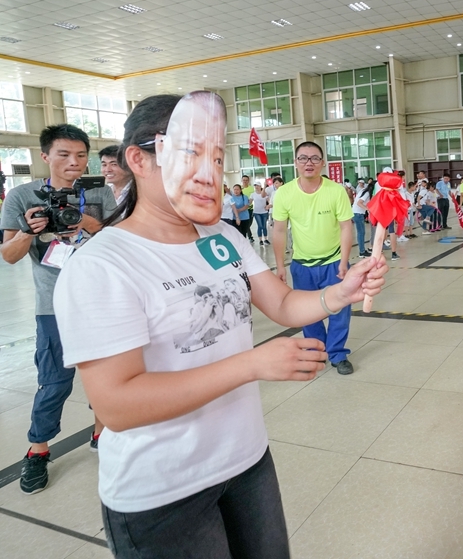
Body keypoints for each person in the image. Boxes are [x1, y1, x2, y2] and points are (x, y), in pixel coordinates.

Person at [53, 93, 387, 558]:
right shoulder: (103, 265)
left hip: (246, 460)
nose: (209, 172)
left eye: (215, 155)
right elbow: (116, 405)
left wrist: (340, 293)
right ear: (139, 160)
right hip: (162, 491)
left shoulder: (223, 236)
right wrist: (250, 364)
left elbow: (284, 302)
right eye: (190, 153)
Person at [0, 123, 117, 494]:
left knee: (107, 375)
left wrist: (82, 219)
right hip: (53, 305)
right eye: (64, 155)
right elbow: (10, 255)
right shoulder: (21, 195)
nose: (74, 163)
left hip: (102, 300)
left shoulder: (99, 192)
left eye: (81, 155)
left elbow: (117, 239)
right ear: (45, 156)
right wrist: (27, 232)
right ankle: (37, 451)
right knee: (53, 382)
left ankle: (103, 432)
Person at [272, 141, 356, 374]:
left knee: (339, 310)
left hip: (333, 262)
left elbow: (346, 227)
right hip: (302, 266)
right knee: (309, 313)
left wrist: (343, 261)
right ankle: (316, 353)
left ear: (322, 162)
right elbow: (279, 230)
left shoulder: (335, 190)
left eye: (314, 158)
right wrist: (280, 266)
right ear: (295, 162)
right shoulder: (284, 193)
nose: (309, 163)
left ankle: (338, 354)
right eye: (303, 158)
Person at [353, 179, 375, 257]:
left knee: (361, 233)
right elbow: (359, 203)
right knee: (361, 233)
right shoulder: (367, 194)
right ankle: (362, 252)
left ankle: (362, 250)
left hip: (358, 213)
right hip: (358, 214)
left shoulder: (364, 191)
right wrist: (368, 209)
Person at [240, 174, 254, 241]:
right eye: (244, 180)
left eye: (246, 180)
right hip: (242, 209)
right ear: (241, 180)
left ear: (248, 181)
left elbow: (254, 197)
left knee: (249, 223)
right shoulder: (240, 189)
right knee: (246, 223)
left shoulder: (251, 188)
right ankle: (249, 236)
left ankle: (248, 235)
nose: (245, 181)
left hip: (250, 208)